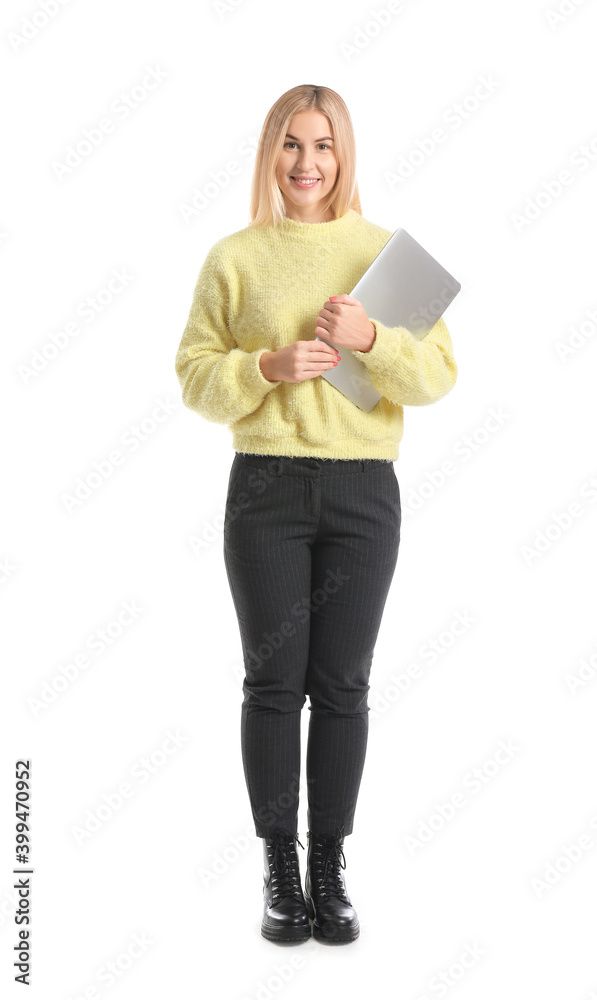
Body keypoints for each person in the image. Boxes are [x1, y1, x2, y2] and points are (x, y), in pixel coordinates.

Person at [174, 84, 458, 945]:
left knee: (341, 686)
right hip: (264, 490)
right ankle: (278, 868)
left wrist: (372, 340)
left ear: (344, 156)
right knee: (272, 683)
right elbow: (194, 375)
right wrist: (264, 365)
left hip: (363, 492)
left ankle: (329, 867)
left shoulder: (383, 255)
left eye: (323, 146)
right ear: (271, 154)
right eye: (291, 145)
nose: (306, 164)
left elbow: (438, 378)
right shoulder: (234, 257)